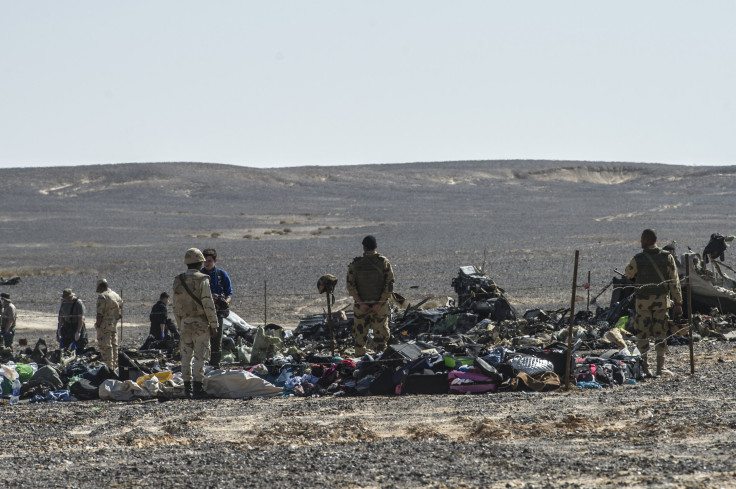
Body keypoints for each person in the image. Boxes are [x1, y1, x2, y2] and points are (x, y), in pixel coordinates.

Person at [625, 229, 683, 377]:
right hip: (661, 302)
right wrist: (678, 302)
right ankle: (660, 368)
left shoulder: (638, 258)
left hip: (643, 303)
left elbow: (629, 273)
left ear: (647, 240)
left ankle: (645, 367)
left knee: (643, 333)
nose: (640, 242)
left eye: (642, 239)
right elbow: (674, 282)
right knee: (661, 332)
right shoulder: (667, 257)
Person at [173, 248, 218, 398]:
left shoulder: (178, 279)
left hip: (185, 323)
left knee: (186, 356)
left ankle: (187, 389)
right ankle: (198, 389)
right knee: (200, 355)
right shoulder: (202, 279)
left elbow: (176, 306)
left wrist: (180, 324)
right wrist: (214, 323)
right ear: (200, 263)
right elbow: (208, 303)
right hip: (200, 323)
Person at [346, 235, 395, 356]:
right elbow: (389, 285)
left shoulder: (355, 264)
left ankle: (359, 361)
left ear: (364, 248)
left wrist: (361, 304)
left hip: (361, 305)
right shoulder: (384, 262)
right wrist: (379, 303)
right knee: (381, 335)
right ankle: (380, 360)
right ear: (376, 247)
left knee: (360, 336)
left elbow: (350, 286)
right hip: (380, 306)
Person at [201, 248, 233, 368]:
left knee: (216, 341)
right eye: (205, 261)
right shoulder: (199, 275)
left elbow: (229, 293)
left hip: (217, 313)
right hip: (202, 313)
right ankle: (203, 366)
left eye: (209, 261)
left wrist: (223, 301)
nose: (207, 263)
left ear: (215, 260)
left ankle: (215, 366)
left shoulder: (221, 275)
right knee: (203, 341)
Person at [95, 279, 123, 371]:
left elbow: (100, 314)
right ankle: (115, 367)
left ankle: (109, 368)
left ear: (101, 286)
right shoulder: (115, 295)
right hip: (114, 325)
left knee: (106, 346)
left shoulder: (102, 297)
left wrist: (98, 325)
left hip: (104, 326)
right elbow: (121, 305)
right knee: (114, 346)